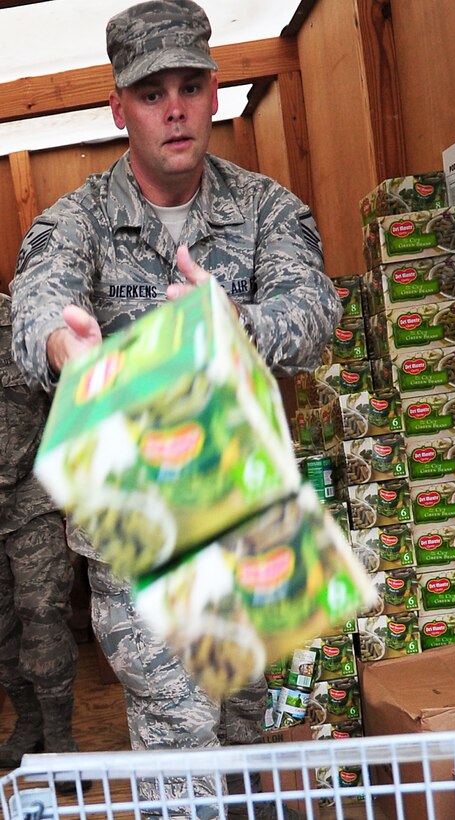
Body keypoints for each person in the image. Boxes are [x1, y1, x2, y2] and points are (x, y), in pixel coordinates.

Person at [10, 0, 342, 815]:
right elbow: (34, 303)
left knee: (246, 742)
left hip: (247, 510)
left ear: (217, 94)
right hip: (139, 526)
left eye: (189, 85)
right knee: (181, 750)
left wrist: (243, 326)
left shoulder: (268, 209)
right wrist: (66, 344)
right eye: (150, 91)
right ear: (117, 107)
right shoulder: (78, 218)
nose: (173, 107)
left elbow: (315, 318)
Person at [0, 294, 85, 791]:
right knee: (3, 627)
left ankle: (61, 739)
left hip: (33, 500)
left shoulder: (23, 323)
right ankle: (28, 722)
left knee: (42, 613)